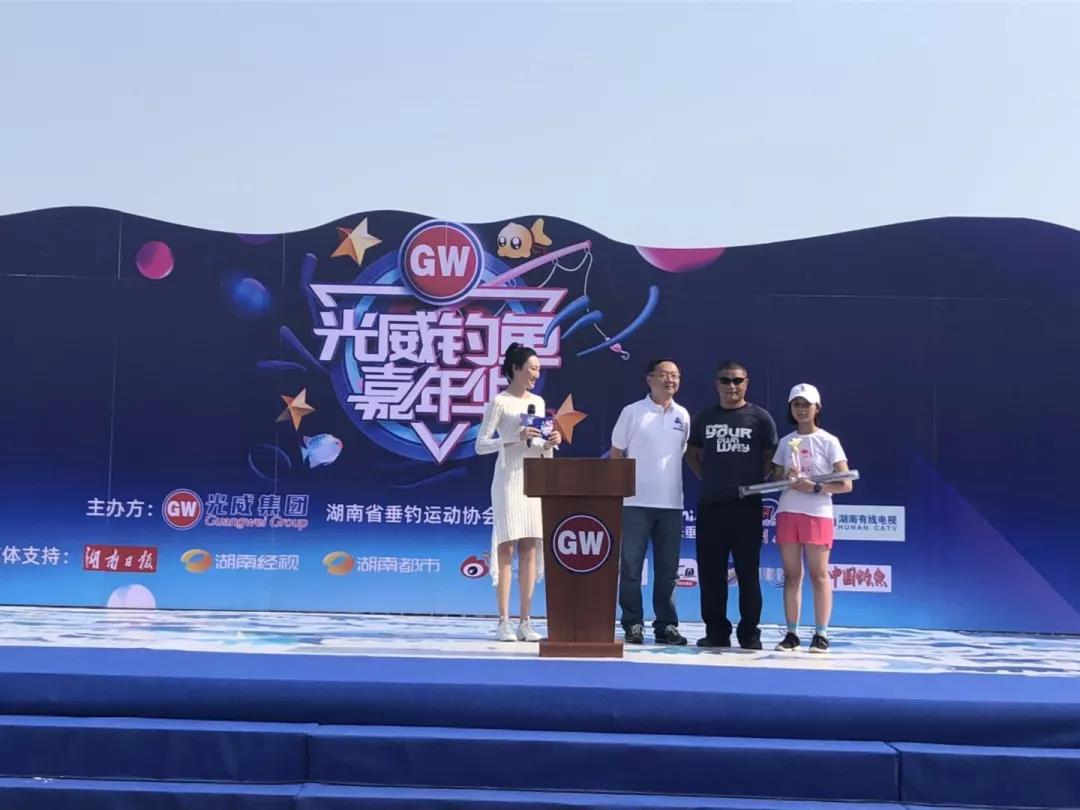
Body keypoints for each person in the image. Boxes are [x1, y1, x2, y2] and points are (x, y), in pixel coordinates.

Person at [685, 361, 777, 650]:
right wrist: (712, 479)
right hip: (711, 505)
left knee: (748, 573)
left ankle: (749, 633)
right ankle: (716, 632)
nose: (732, 386)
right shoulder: (704, 417)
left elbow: (770, 457)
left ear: (746, 383)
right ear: (717, 384)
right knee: (711, 573)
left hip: (746, 507)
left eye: (737, 380)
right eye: (726, 380)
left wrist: (754, 481)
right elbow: (692, 453)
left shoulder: (760, 418)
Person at [474, 342, 562, 642]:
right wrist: (513, 437)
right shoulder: (499, 402)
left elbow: (538, 448)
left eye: (538, 369)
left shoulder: (538, 402)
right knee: (507, 547)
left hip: (532, 480)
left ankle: (526, 621)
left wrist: (550, 442)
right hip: (508, 479)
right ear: (515, 369)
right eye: (532, 368)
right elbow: (481, 444)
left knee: (530, 548)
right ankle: (503, 621)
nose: (536, 374)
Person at [610, 358, 691, 646]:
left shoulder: (683, 415)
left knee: (668, 571)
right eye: (664, 375)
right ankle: (632, 623)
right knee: (631, 567)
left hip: (671, 504)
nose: (670, 380)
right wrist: (623, 489)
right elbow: (616, 453)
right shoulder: (632, 412)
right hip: (635, 502)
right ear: (650, 379)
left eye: (675, 375)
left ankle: (666, 625)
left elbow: (680, 452)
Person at [771, 383, 853, 653]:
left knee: (819, 574)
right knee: (792, 575)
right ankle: (791, 634)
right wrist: (786, 476)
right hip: (788, 511)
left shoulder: (829, 441)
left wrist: (815, 487)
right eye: (796, 404)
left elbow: (845, 484)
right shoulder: (786, 442)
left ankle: (821, 634)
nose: (801, 409)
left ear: (817, 408)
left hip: (817, 513)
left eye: (806, 404)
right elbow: (775, 476)